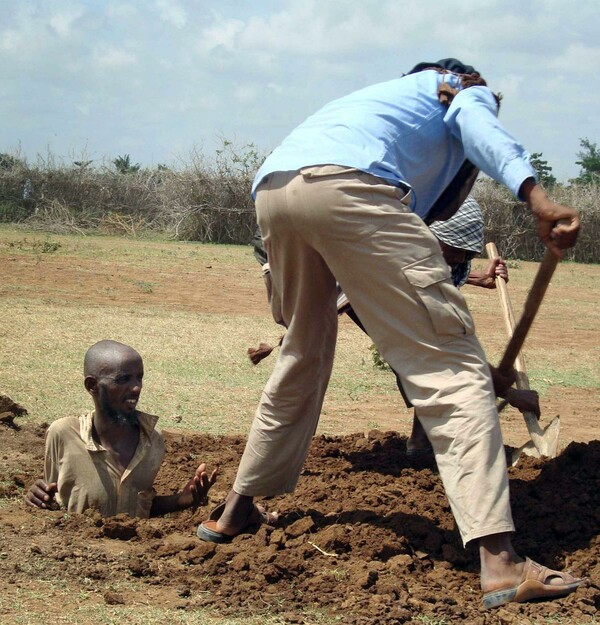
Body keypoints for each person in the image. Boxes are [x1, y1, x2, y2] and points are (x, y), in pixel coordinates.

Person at [197, 59, 582, 608]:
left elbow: (416, 215)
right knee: (453, 367)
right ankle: (501, 564)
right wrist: (538, 200)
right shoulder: (458, 91)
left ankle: (234, 512)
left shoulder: (373, 103)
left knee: (301, 355)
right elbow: (482, 131)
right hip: (351, 190)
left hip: (276, 191)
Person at [250, 196, 542, 457]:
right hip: (292, 248)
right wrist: (511, 393)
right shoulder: (383, 260)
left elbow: (431, 278)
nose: (457, 259)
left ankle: (421, 443)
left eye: (464, 254)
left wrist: (479, 277)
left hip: (340, 257)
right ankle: (264, 465)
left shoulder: (416, 247)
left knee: (417, 348)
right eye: (452, 250)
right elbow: (440, 345)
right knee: (405, 348)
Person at [25, 340, 217, 518]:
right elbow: (51, 500)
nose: (136, 388)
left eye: (139, 378)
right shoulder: (64, 434)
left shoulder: (151, 440)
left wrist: (180, 500)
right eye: (123, 379)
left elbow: (137, 510)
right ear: (92, 386)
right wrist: (38, 497)